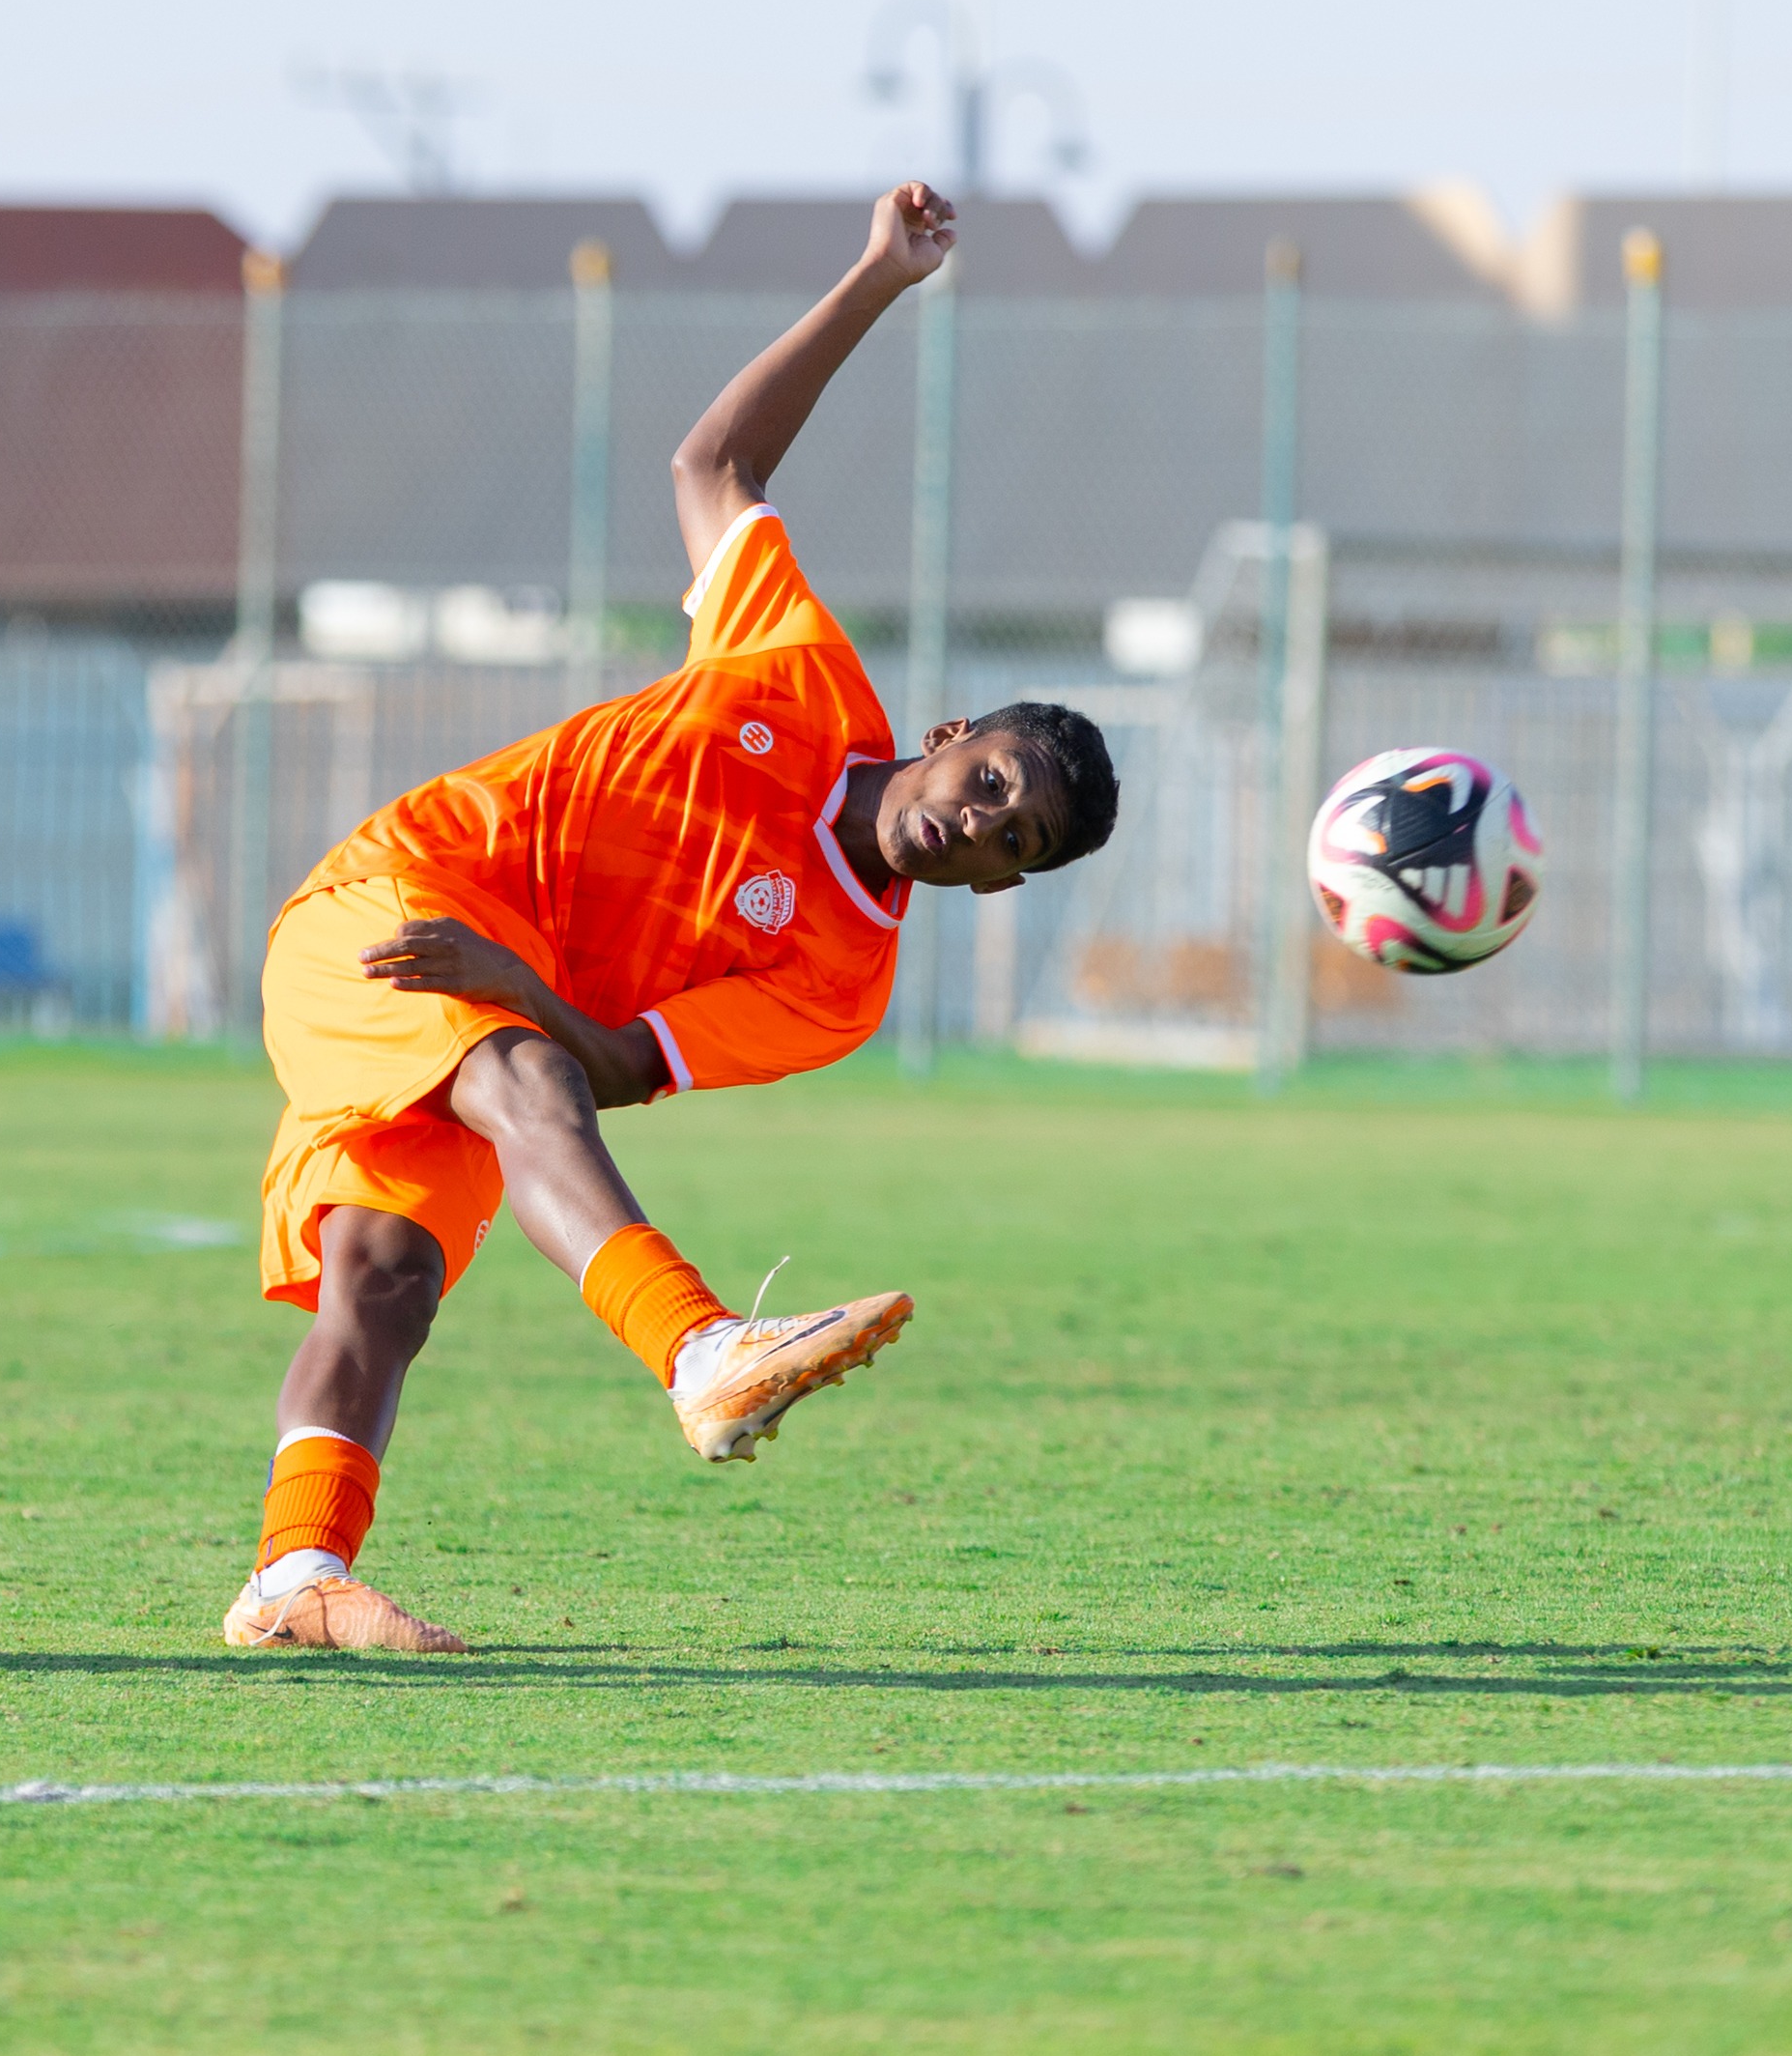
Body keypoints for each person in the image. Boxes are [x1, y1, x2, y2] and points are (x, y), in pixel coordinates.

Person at [222, 183, 1121, 1654]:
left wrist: (515, 981)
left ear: (998, 887)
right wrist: (877, 279)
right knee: (518, 1079)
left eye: (1007, 844)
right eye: (990, 784)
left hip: (493, 993)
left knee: (385, 1280)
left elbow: (625, 1063)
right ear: (952, 735)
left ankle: (291, 1579)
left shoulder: (841, 985)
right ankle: (701, 1350)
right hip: (389, 905)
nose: (976, 824)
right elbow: (714, 461)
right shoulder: (798, 666)